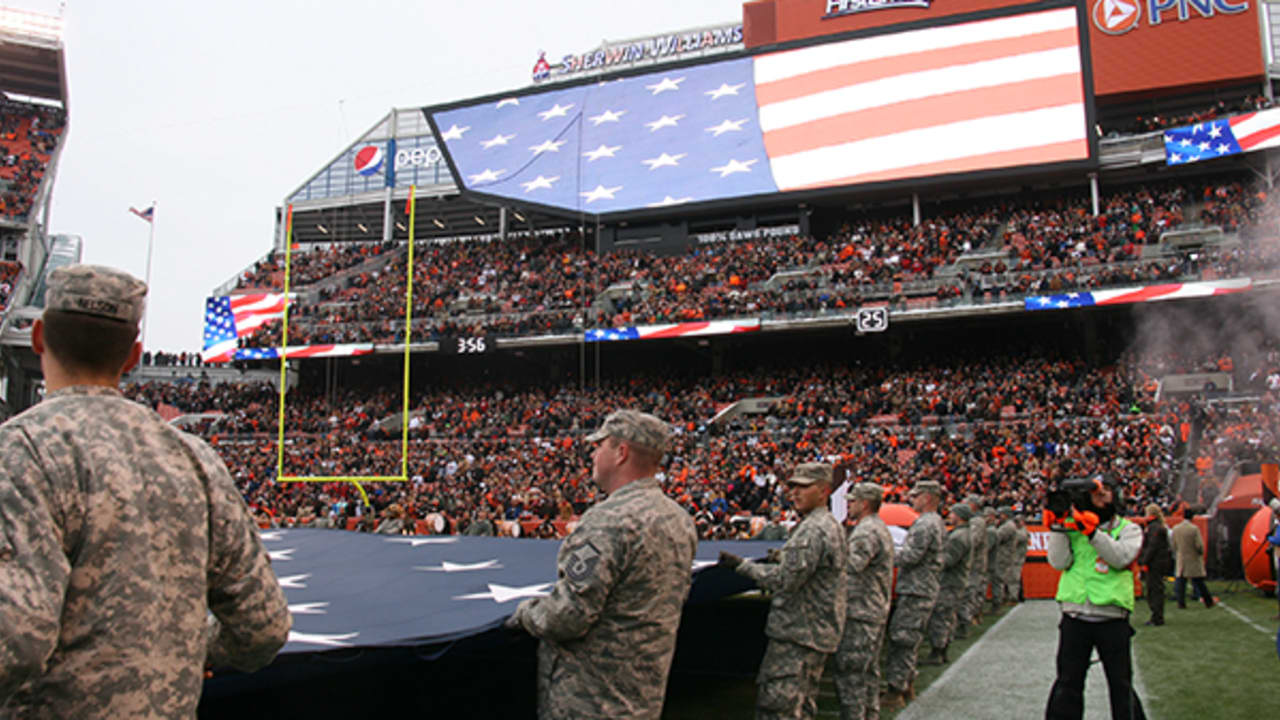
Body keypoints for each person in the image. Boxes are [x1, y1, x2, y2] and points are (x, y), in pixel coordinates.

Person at [0, 264, 291, 717]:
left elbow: (16, 638)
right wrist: (196, 651)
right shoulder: (196, 459)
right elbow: (264, 627)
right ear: (134, 355)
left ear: (39, 337)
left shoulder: (21, 452)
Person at [506, 409, 697, 720]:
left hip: (590, 700)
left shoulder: (609, 521)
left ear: (621, 453)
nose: (593, 454)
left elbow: (567, 616)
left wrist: (526, 613)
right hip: (642, 693)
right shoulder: (678, 518)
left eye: (600, 445)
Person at [722, 463, 847, 720]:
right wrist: (782, 556)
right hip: (812, 631)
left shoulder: (813, 529)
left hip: (799, 633)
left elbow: (784, 580)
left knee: (779, 705)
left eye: (803, 487)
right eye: (793, 487)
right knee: (803, 703)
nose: (795, 493)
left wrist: (742, 566)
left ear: (824, 491)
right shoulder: (826, 524)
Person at [1045, 475, 1147, 720]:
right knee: (1068, 683)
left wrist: (1092, 533)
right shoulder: (1073, 528)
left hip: (1112, 616)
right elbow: (1059, 562)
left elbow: (1120, 557)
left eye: (1107, 490)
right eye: (1096, 492)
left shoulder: (1128, 529)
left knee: (1120, 685)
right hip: (1075, 614)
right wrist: (1059, 526)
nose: (1101, 495)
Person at [833, 482, 894, 720]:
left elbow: (850, 567)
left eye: (852, 501)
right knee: (868, 671)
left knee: (852, 674)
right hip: (873, 608)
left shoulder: (866, 531)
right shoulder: (878, 527)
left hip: (861, 611)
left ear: (865, 503)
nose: (849, 505)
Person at [881, 480, 944, 711]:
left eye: (916, 496)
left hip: (917, 589)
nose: (912, 499)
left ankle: (896, 690)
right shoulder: (933, 522)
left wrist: (886, 552)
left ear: (927, 498)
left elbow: (910, 557)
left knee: (902, 638)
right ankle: (905, 683)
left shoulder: (925, 524)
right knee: (910, 639)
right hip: (921, 588)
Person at [923, 502, 973, 667]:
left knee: (941, 616)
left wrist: (933, 557)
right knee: (947, 616)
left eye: (952, 514)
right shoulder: (963, 534)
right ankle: (942, 649)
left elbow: (948, 561)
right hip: (956, 581)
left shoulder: (959, 537)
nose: (949, 516)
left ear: (959, 516)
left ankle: (938, 650)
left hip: (949, 582)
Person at [1170, 507, 1215, 610]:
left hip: (1181, 558)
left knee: (1181, 582)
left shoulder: (1176, 528)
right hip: (1193, 558)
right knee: (1199, 582)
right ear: (1193, 517)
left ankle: (1181, 603)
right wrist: (1200, 553)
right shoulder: (1194, 529)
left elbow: (1173, 544)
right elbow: (1199, 545)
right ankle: (1208, 602)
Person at [1138, 504, 1172, 625]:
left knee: (1154, 589)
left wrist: (1143, 561)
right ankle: (1157, 615)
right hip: (1159, 562)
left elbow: (1152, 546)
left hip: (1155, 563)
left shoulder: (1154, 528)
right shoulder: (1158, 527)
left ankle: (1157, 616)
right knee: (1156, 588)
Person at [961, 494, 988, 631]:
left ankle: (970, 618)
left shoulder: (977, 521)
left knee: (972, 590)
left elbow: (973, 540)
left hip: (974, 562)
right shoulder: (975, 520)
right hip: (974, 561)